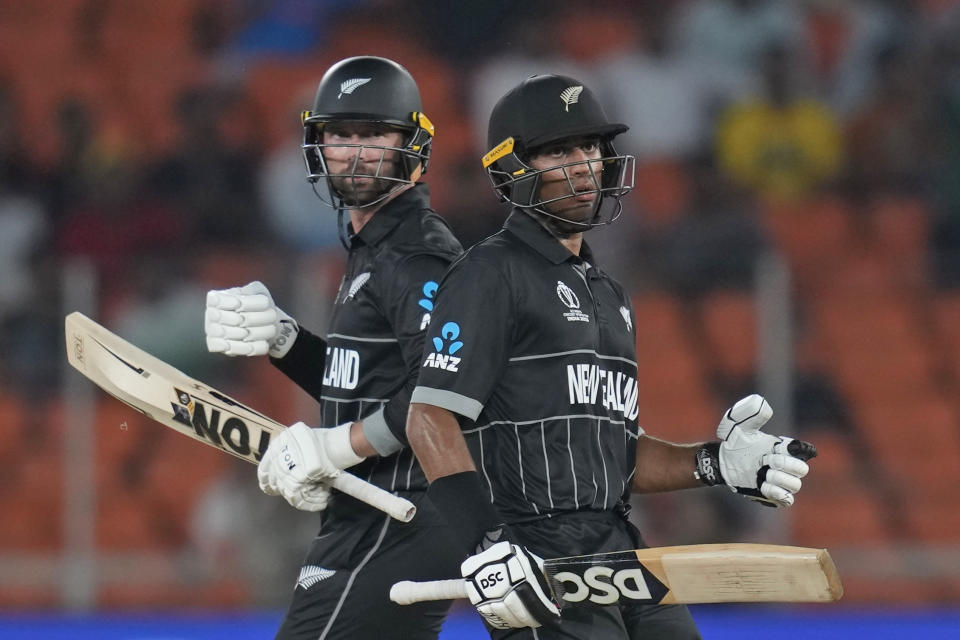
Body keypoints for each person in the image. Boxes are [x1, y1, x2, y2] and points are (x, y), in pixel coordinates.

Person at [404, 74, 817, 639]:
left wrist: (713, 463)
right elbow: (429, 415)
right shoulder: (488, 274)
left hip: (618, 544)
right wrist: (487, 543)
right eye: (558, 150)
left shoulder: (609, 293)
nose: (583, 164)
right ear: (511, 169)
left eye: (592, 147)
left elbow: (615, 455)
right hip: (534, 554)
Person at [203, 56, 464, 640]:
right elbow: (362, 381)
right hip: (371, 515)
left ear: (411, 144)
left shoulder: (415, 254)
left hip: (400, 514)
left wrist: (337, 447)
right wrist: (286, 341)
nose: (354, 150)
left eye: (373, 133)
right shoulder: (373, 245)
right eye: (339, 135)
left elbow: (445, 394)